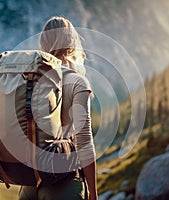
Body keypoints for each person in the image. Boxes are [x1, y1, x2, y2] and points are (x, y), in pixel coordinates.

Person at [18, 16, 97, 200]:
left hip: (30, 185)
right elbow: (84, 140)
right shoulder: (77, 82)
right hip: (64, 183)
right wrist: (93, 191)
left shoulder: (31, 81)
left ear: (43, 44)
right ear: (72, 42)